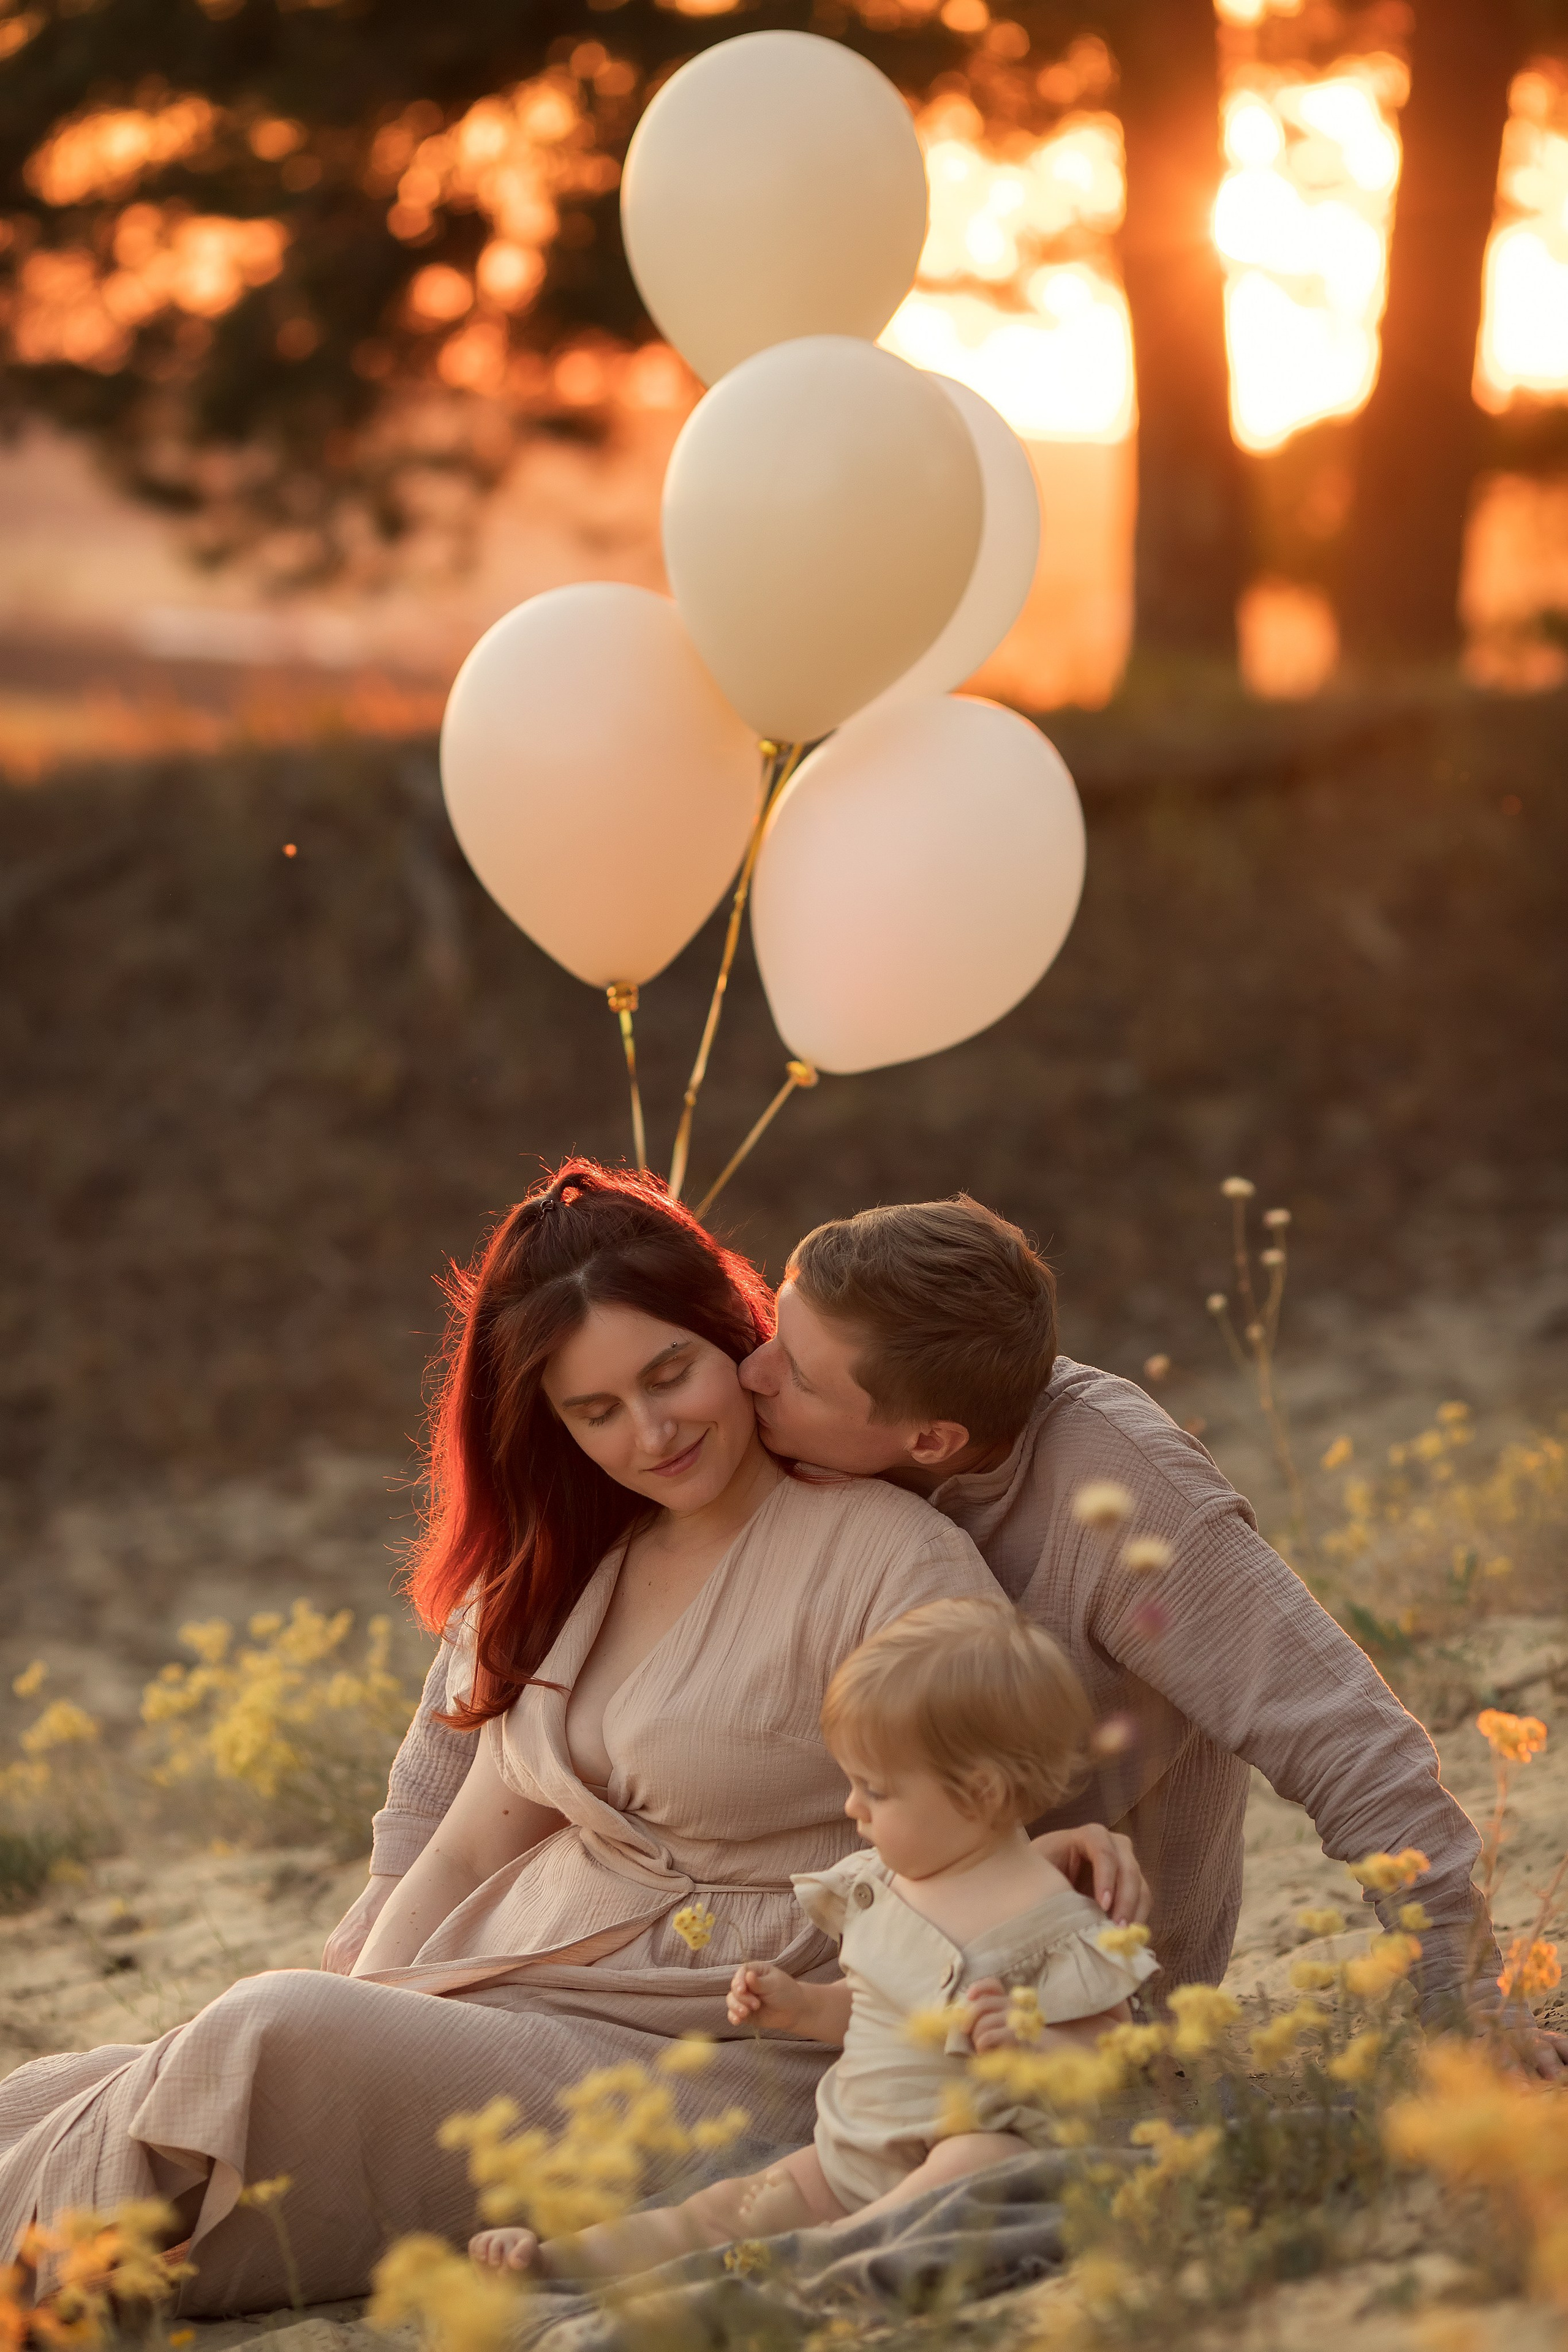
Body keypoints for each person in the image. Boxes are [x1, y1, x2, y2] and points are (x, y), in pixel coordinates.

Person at [0, 1163, 1140, 2309]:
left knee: (259, 2034)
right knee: (45, 2095)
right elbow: (459, 1844)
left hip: (722, 2053)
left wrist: (1045, 1865)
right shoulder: (578, 1565)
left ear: (734, 1339)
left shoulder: (884, 1557)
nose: (651, 1434)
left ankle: (51, 2284)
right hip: (502, 2002)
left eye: (669, 1374)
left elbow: (976, 1798)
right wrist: (388, 2010)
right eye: (596, 1412)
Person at [331, 1194, 1566, 2080]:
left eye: (794, 1374)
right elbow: (479, 1714)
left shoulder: (1119, 1497)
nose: (752, 1375)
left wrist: (1462, 2008)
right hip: (831, 1969)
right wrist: (352, 1968)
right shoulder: (770, 1446)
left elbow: (1345, 1740)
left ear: (923, 1442)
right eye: (770, 1340)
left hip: (1042, 2003)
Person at [471, 1597, 1158, 2280]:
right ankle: (562, 2261)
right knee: (720, 2210)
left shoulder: (1058, 1922)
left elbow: (1108, 2049)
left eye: (875, 1790)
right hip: (849, 2153)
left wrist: (1035, 2045)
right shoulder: (884, 1889)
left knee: (981, 2159)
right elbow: (875, 2012)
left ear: (976, 1794)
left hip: (960, 2152)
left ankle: (840, 2249)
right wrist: (798, 2007)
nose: (851, 1806)